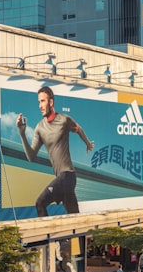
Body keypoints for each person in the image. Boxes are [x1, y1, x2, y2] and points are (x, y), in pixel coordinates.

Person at [16, 87, 95, 217]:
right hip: (61, 178)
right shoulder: (39, 128)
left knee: (40, 203)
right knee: (75, 219)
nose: (40, 106)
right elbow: (30, 156)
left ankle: (48, 238)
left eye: (43, 101)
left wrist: (87, 143)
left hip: (68, 176)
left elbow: (79, 129)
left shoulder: (64, 120)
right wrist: (22, 134)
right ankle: (71, 237)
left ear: (51, 102)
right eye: (39, 102)